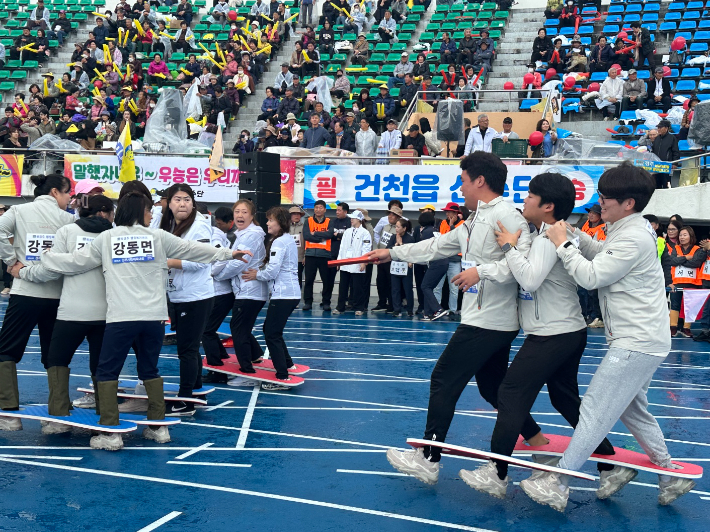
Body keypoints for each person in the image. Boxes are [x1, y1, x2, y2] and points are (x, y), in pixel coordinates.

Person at [522, 162, 695, 511]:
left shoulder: (632, 235)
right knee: (634, 411)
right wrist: (575, 236)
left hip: (637, 340)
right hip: (641, 337)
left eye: (605, 198)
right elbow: (604, 256)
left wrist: (562, 245)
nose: (600, 203)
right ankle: (670, 473)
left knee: (595, 410)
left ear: (628, 202)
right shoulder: (626, 228)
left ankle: (560, 481)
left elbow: (591, 276)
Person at [20, 192, 250, 448]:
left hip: (122, 318)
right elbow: (193, 250)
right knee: (149, 370)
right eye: (150, 210)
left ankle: (110, 432)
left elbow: (76, 262)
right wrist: (229, 254)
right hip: (154, 319)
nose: (154, 214)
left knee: (107, 370)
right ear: (140, 212)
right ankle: (157, 427)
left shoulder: (108, 238)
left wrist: (47, 256)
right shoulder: (158, 237)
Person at [375, 152, 535, 484]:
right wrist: (391, 253)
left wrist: (481, 271)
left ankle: (429, 458)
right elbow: (435, 247)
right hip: (482, 317)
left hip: (490, 321)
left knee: (443, 379)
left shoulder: (509, 217)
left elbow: (524, 268)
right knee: (493, 390)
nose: (459, 187)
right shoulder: (474, 219)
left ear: (479, 181)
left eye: (462, 180)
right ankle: (537, 440)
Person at [459, 172, 616, 499]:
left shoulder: (547, 240)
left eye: (530, 196)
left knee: (511, 393)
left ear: (548, 206)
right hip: (566, 331)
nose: (524, 200)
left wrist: (508, 248)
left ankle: (497, 473)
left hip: (553, 335)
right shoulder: (546, 233)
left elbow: (529, 280)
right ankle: (611, 464)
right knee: (564, 399)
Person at [14, 195, 114, 427]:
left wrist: (23, 273)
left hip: (72, 311)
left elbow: (51, 270)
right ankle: (107, 415)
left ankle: (58, 415)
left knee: (57, 359)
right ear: (103, 213)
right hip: (107, 312)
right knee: (101, 364)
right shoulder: (113, 235)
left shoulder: (67, 232)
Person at [0, 175, 74, 431]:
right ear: (55, 192)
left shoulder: (19, 211)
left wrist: (12, 262)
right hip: (57, 295)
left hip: (25, 292)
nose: (69, 199)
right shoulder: (68, 219)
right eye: (67, 193)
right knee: (54, 353)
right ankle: (59, 411)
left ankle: (8, 412)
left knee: (7, 350)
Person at [157, 184, 217, 415]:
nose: (182, 204)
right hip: (177, 293)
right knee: (189, 347)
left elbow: (200, 260)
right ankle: (196, 388)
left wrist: (165, 261)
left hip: (196, 296)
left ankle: (185, 399)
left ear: (193, 203)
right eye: (177, 199)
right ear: (168, 203)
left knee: (187, 349)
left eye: (187, 199)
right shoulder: (168, 224)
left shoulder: (200, 225)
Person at [241, 207, 301, 389]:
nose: (267, 223)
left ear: (280, 222)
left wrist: (256, 274)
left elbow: (273, 271)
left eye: (271, 220)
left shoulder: (279, 242)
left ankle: (282, 376)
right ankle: (289, 364)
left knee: (271, 333)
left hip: (284, 294)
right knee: (271, 329)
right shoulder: (286, 239)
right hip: (289, 293)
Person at [212, 199, 267, 382]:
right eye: (237, 212)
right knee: (241, 327)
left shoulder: (251, 235)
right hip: (244, 289)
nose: (240, 215)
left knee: (238, 330)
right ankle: (254, 356)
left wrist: (217, 275)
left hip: (250, 290)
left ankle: (247, 371)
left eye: (244, 212)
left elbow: (237, 262)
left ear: (252, 216)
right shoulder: (242, 234)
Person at [666, 226, 705, 338]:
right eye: (681, 235)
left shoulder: (697, 249)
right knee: (675, 305)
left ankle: (686, 328)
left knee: (690, 306)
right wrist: (687, 258)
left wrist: (680, 259)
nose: (682, 237)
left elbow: (696, 263)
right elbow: (672, 261)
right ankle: (673, 327)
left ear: (690, 236)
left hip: (692, 283)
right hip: (676, 283)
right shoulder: (676, 248)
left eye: (685, 235)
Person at [333, 210, 372, 316]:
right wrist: (339, 261)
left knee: (358, 287)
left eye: (353, 218)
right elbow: (342, 248)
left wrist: (364, 262)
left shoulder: (365, 233)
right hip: (345, 262)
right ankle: (340, 307)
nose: (351, 220)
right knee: (343, 286)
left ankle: (359, 307)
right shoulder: (347, 231)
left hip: (357, 263)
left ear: (359, 220)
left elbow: (366, 248)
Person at [301, 200, 335, 311]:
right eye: (316, 207)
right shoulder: (308, 220)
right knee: (309, 280)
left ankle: (326, 302)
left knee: (327, 280)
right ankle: (308, 302)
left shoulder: (330, 221)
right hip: (310, 254)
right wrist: (322, 237)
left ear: (325, 210)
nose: (318, 209)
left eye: (321, 208)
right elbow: (306, 236)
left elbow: (330, 234)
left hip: (325, 255)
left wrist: (315, 233)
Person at [371, 204, 403, 313]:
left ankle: (391, 304)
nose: (389, 216)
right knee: (380, 281)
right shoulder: (386, 226)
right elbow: (380, 238)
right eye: (389, 214)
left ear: (398, 217)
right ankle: (382, 302)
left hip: (391, 258)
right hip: (381, 258)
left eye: (392, 214)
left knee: (391, 282)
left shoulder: (399, 230)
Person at [440, 202, 464, 318]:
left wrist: (452, 225)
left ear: (455, 213)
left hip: (455, 260)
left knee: (454, 287)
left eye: (449, 211)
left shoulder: (463, 224)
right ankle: (437, 309)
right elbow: (443, 239)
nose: (446, 213)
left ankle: (453, 310)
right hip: (442, 259)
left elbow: (454, 239)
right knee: (437, 286)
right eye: (446, 211)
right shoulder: (443, 223)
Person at [388, 217, 414, 318]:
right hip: (395, 266)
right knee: (395, 289)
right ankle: (396, 309)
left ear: (404, 228)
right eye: (396, 227)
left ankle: (410, 309)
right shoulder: (393, 237)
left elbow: (410, 252)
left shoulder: (410, 238)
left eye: (398, 227)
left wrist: (401, 244)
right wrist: (396, 244)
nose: (396, 229)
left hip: (406, 267)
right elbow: (388, 249)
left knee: (407, 289)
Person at [651, 120, 679, 189]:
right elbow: (653, 151)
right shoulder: (657, 139)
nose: (658, 129)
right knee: (657, 186)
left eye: (660, 127)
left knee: (666, 185)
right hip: (657, 166)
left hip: (667, 166)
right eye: (658, 128)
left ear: (666, 128)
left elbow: (676, 151)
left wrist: (675, 163)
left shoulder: (672, 138)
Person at [289, 206, 306, 288]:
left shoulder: (304, 227)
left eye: (298, 214)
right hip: (287, 257)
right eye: (294, 214)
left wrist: (305, 256)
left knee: (298, 277)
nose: (297, 216)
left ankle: (297, 297)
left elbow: (307, 242)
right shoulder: (285, 227)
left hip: (299, 257)